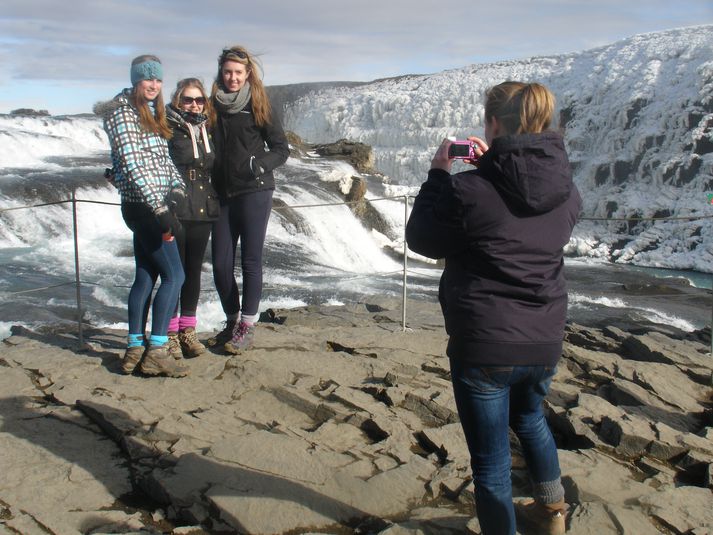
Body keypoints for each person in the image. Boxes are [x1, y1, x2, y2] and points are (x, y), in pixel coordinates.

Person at [406, 81, 581, 535]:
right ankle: (551, 512)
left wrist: (438, 174)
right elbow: (526, 210)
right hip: (544, 339)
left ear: (492, 124)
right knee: (530, 419)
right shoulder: (568, 192)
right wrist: (500, 166)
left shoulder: (470, 190)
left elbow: (422, 238)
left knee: (491, 466)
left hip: (485, 344)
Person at [94, 55, 188, 378]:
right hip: (145, 210)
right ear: (136, 80)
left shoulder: (149, 112)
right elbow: (133, 167)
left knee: (146, 276)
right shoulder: (122, 115)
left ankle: (134, 348)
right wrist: (161, 212)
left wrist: (176, 190)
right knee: (175, 276)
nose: (153, 85)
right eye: (147, 79)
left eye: (158, 80)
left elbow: (163, 160)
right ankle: (157, 350)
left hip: (154, 206)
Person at [209, 45, 290, 353]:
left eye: (238, 73)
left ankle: (247, 326)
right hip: (222, 194)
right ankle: (231, 321)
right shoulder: (212, 106)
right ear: (221, 73)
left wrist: (259, 164)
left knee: (251, 261)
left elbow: (281, 149)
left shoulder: (259, 104)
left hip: (255, 191)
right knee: (219, 264)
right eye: (227, 72)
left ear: (247, 75)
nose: (232, 78)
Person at [164, 78, 219, 358]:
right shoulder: (167, 128)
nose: (194, 104)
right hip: (177, 207)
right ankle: (170, 333)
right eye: (188, 99)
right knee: (175, 273)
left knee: (194, 270)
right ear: (177, 100)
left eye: (199, 100)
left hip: (204, 208)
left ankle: (188, 330)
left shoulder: (208, 129)